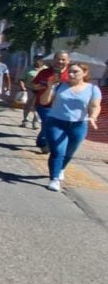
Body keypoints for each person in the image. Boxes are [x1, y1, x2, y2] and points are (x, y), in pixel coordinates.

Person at [41, 63, 101, 192]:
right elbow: (44, 101)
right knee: (58, 151)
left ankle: (61, 168)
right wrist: (50, 87)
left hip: (79, 125)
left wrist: (93, 117)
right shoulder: (60, 86)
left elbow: (95, 105)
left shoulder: (92, 89)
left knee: (70, 151)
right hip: (56, 122)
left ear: (84, 73)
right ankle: (54, 179)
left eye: (75, 72)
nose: (71, 74)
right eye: (70, 72)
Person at [33, 51, 70, 153]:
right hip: (44, 103)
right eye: (58, 59)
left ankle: (42, 139)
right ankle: (45, 143)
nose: (60, 61)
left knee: (54, 125)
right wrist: (44, 86)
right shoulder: (44, 72)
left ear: (68, 61)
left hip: (61, 105)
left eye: (63, 59)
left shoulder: (71, 74)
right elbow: (34, 85)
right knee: (48, 122)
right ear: (54, 60)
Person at [20, 56, 46, 129]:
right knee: (28, 105)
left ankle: (35, 122)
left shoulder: (45, 69)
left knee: (37, 106)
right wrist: (22, 87)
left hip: (41, 90)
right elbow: (22, 79)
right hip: (30, 89)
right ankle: (25, 120)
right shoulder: (28, 68)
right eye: (37, 60)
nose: (38, 61)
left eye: (40, 60)